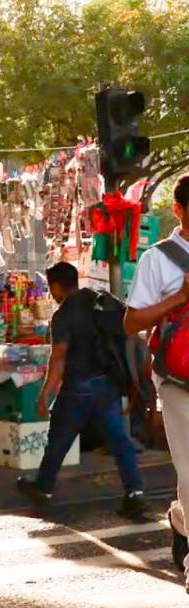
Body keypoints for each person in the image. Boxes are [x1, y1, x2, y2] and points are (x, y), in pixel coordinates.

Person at [16, 262, 147, 518]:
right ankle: (135, 493)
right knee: (120, 442)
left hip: (77, 387)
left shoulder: (63, 315)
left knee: (59, 439)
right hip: (107, 384)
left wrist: (45, 395)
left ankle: (43, 489)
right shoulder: (97, 300)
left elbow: (59, 358)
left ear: (55, 286)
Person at [124, 176, 189, 579]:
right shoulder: (159, 258)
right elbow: (131, 323)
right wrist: (179, 298)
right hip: (181, 381)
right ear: (179, 211)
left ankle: (182, 519)